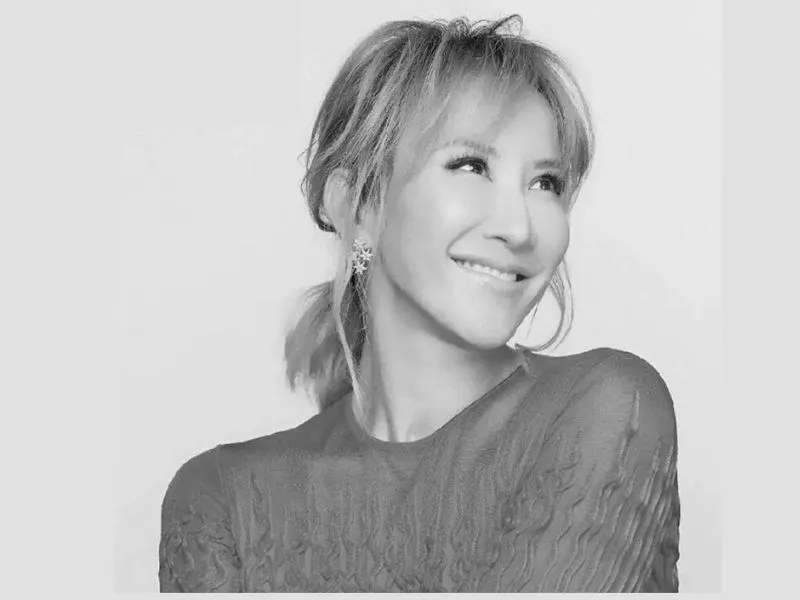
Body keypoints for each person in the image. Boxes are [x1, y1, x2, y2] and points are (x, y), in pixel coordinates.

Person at [158, 15, 679, 593]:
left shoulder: (608, 406)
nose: (519, 227)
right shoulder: (221, 500)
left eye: (546, 183)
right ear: (357, 205)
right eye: (471, 166)